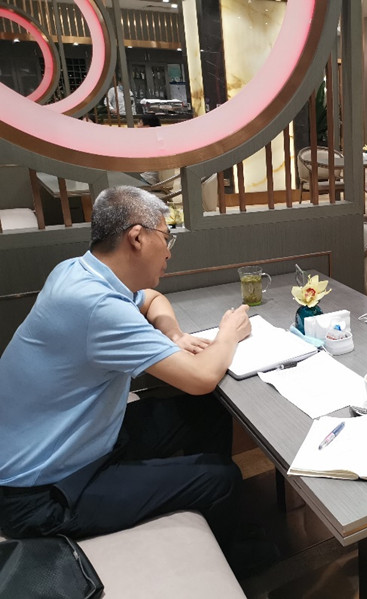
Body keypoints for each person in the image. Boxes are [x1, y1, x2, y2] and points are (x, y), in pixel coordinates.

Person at [0, 186, 253, 565]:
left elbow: (152, 299)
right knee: (223, 477)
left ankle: (199, 505)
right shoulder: (98, 306)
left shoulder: (77, 271)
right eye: (166, 237)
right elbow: (202, 377)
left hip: (82, 442)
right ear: (137, 238)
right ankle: (232, 557)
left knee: (208, 412)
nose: (169, 252)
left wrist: (173, 335)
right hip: (42, 492)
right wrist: (229, 334)